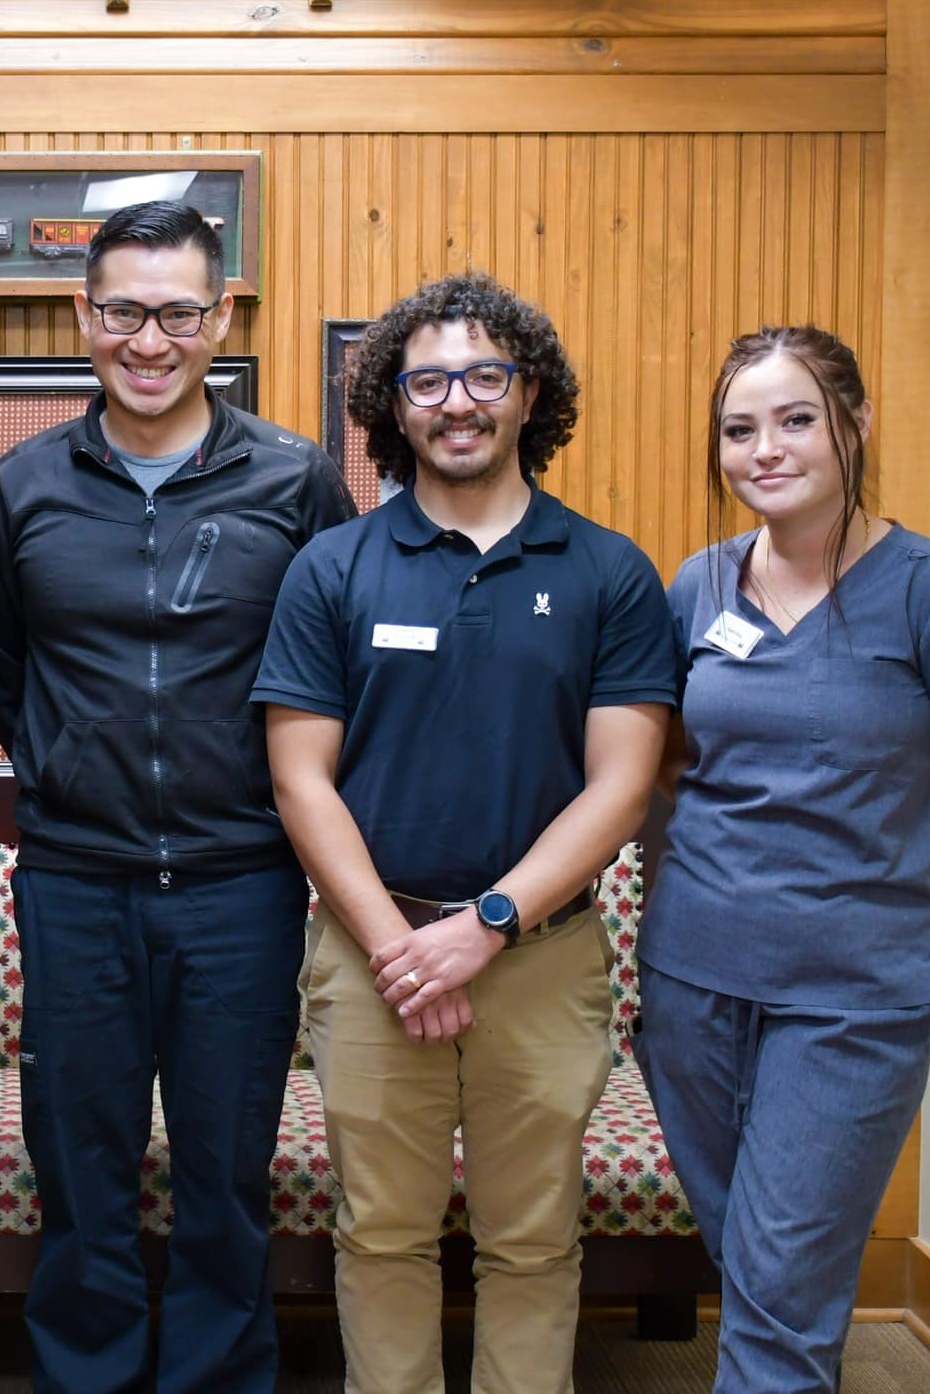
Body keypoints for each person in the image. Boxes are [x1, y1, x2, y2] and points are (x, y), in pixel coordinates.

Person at [253, 272, 676, 1394]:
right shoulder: (330, 568)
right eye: (426, 379)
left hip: (539, 960)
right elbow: (300, 781)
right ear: (391, 405)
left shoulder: (607, 572)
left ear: (527, 393)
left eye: (484, 375)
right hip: (370, 958)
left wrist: (484, 926)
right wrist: (402, 944)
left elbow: (620, 788)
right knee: (379, 1234)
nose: (456, 401)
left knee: (531, 1242)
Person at [0, 200, 356, 1393]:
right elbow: (2, 665)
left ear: (220, 315)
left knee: (225, 1175)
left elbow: (335, 677)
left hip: (240, 888)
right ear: (83, 315)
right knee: (78, 1173)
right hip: (75, 886)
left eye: (177, 312)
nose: (149, 339)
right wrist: (68, 779)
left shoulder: (294, 482)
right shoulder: (23, 486)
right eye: (124, 311)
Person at [637, 325, 930, 1394]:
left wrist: (891, 873)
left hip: (853, 994)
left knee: (777, 1284)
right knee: (763, 1267)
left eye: (793, 419)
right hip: (689, 983)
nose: (761, 449)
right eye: (737, 429)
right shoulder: (698, 586)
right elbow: (666, 770)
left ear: (853, 425)